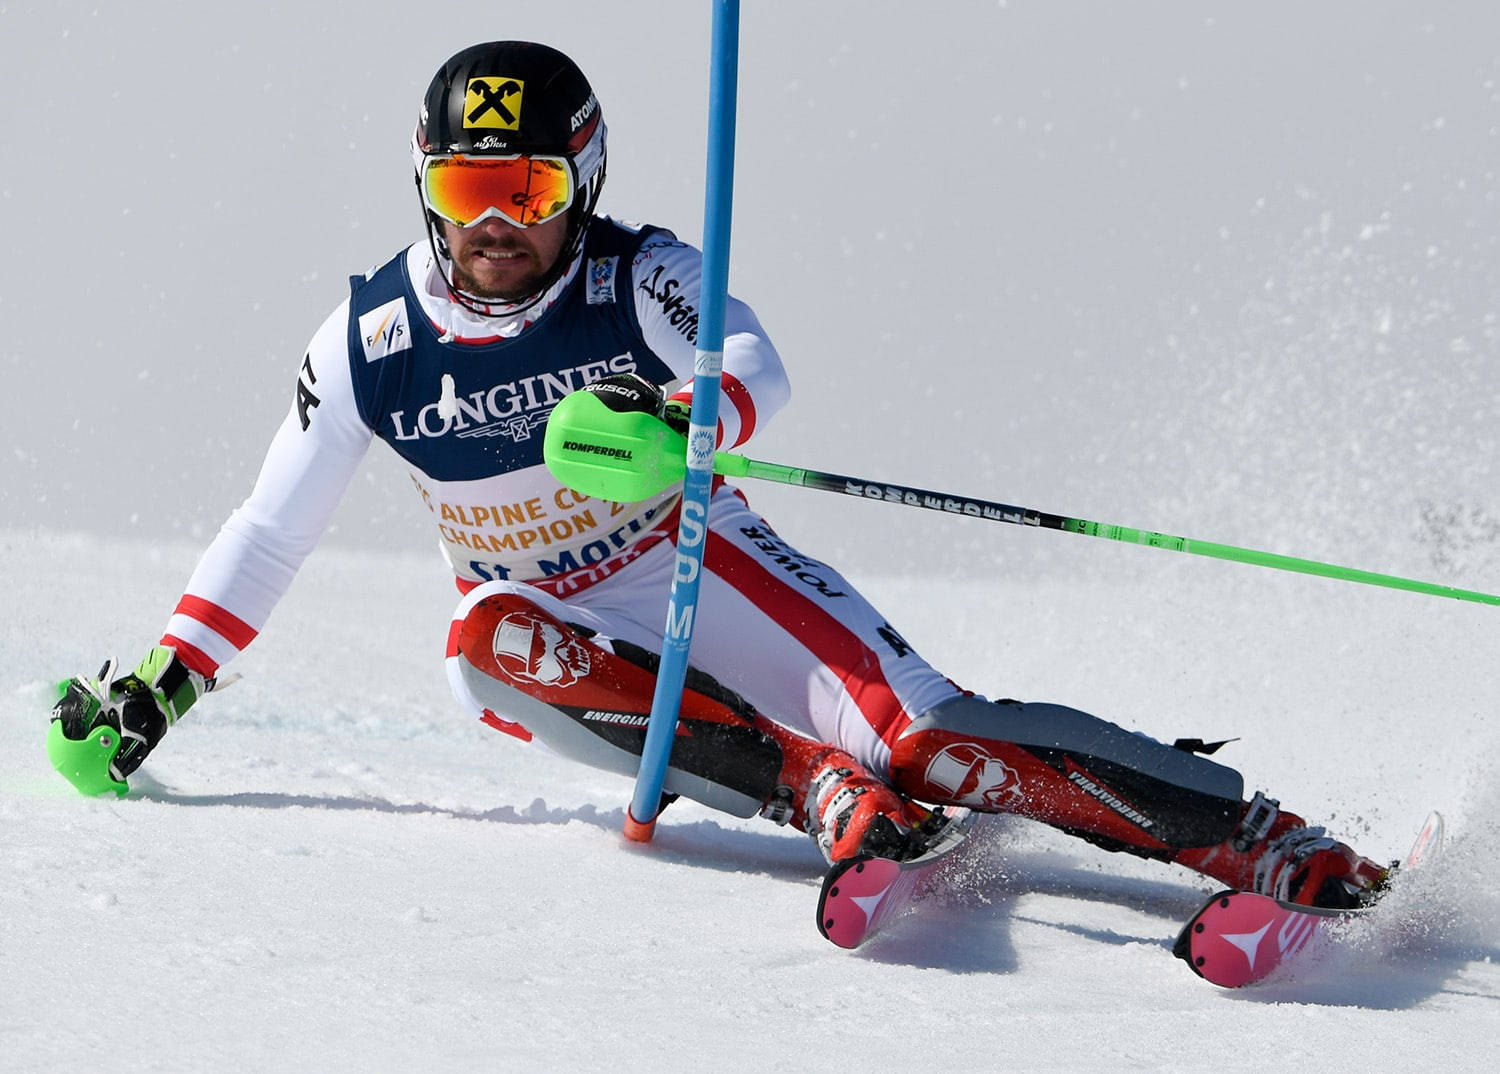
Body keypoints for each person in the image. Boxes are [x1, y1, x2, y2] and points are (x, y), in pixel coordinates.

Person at [51, 40, 1389, 910]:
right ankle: (814, 789)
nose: (497, 223)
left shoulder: (639, 273)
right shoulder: (371, 340)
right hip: (565, 629)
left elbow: (754, 355)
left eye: (523, 183)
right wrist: (168, 684)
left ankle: (1259, 838)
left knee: (931, 740)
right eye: (465, 191)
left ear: (581, 177)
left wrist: (687, 409)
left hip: (696, 562)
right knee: (477, 639)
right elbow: (268, 529)